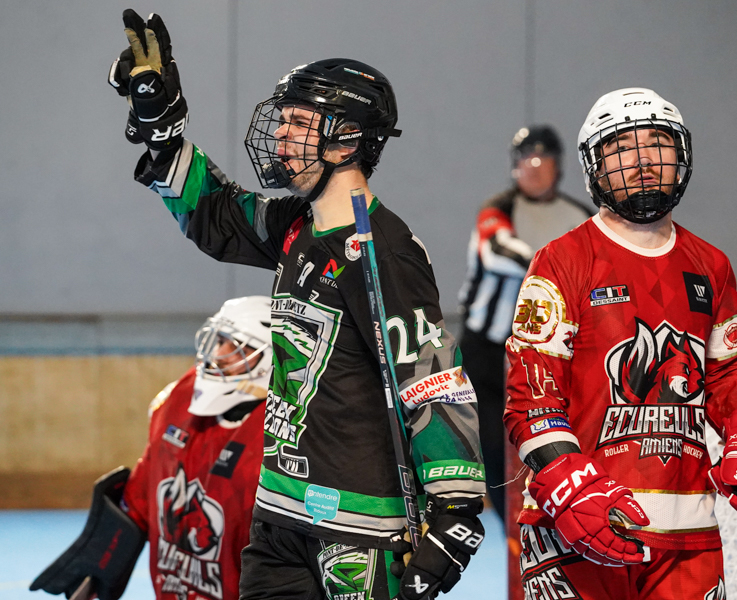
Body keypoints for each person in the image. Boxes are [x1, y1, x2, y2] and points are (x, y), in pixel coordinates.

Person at [106, 11, 485, 600]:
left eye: (299, 122)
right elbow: (217, 216)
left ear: (348, 138)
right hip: (278, 517)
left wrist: (455, 512)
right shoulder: (295, 226)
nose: (281, 134)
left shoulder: (384, 250)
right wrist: (164, 134)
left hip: (358, 529)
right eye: (282, 119)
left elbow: (430, 380)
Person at [504, 88, 737, 599]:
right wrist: (566, 477)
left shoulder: (712, 265)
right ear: (594, 167)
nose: (642, 163)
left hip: (688, 536)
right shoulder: (563, 260)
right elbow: (532, 394)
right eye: (621, 148)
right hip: (577, 526)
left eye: (657, 145)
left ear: (680, 157)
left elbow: (730, 378)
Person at [31, 296, 273, 600]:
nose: (219, 354)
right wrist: (103, 551)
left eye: (237, 345)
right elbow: (147, 490)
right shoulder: (181, 397)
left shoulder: (284, 440)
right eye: (220, 340)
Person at [457, 125, 591, 520]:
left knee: (547, 441)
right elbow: (497, 250)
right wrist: (549, 267)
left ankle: (546, 522)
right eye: (524, 162)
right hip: (487, 349)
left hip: (549, 352)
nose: (533, 170)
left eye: (542, 161)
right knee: (493, 451)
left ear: (559, 166)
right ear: (514, 168)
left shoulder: (577, 216)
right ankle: (510, 531)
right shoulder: (497, 209)